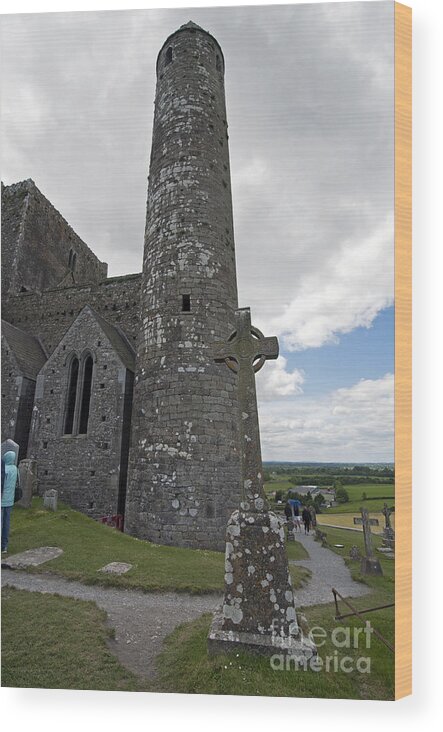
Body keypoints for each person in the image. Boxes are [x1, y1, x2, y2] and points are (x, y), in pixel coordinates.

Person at [1, 451, 18, 553]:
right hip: (10, 500)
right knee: (6, 523)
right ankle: (4, 546)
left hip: (1, 499)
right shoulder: (15, 469)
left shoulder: (4, 469)